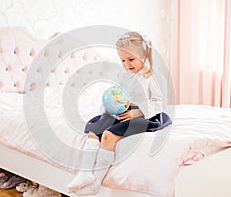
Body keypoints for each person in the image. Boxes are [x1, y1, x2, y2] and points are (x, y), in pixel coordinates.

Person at [67, 31, 172, 196]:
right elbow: (117, 94)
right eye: (122, 60)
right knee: (95, 129)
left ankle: (95, 182)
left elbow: (158, 102)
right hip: (123, 113)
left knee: (109, 135)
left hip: (146, 117)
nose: (126, 64)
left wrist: (138, 112)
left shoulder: (154, 77)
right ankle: (85, 172)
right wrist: (110, 107)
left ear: (144, 55)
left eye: (131, 60)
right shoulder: (123, 75)